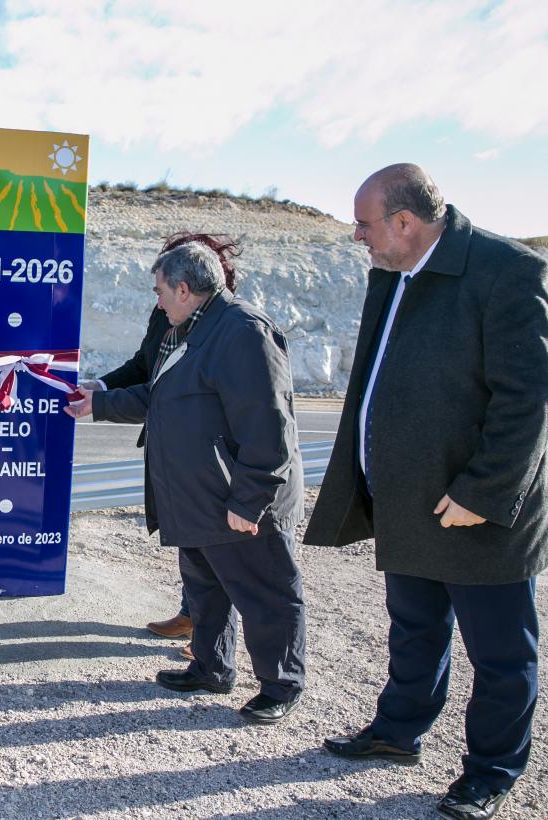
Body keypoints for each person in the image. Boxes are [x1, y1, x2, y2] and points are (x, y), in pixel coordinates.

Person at [307, 164, 548, 820]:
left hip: (478, 508)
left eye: (365, 223)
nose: (357, 235)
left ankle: (492, 771)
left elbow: (527, 402)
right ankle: (399, 730)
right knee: (415, 628)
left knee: (500, 652)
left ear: (407, 222)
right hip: (409, 496)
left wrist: (484, 490)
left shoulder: (507, 271)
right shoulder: (395, 272)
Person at [66, 241, 305, 724]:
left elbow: (268, 425)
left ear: (182, 288)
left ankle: (282, 684)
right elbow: (161, 396)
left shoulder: (242, 332)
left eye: (159, 292)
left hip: (236, 498)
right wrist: (100, 401)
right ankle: (212, 666)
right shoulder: (192, 327)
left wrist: (251, 497)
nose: (156, 302)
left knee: (265, 590)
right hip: (201, 497)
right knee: (206, 587)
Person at [82, 232, 242, 657]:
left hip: (204, 451)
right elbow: (143, 365)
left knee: (215, 549)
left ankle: (213, 639)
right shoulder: (166, 312)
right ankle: (194, 616)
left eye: (164, 286)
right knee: (190, 538)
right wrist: (99, 385)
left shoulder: (220, 323)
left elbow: (162, 392)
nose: (158, 297)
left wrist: (99, 404)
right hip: (171, 445)